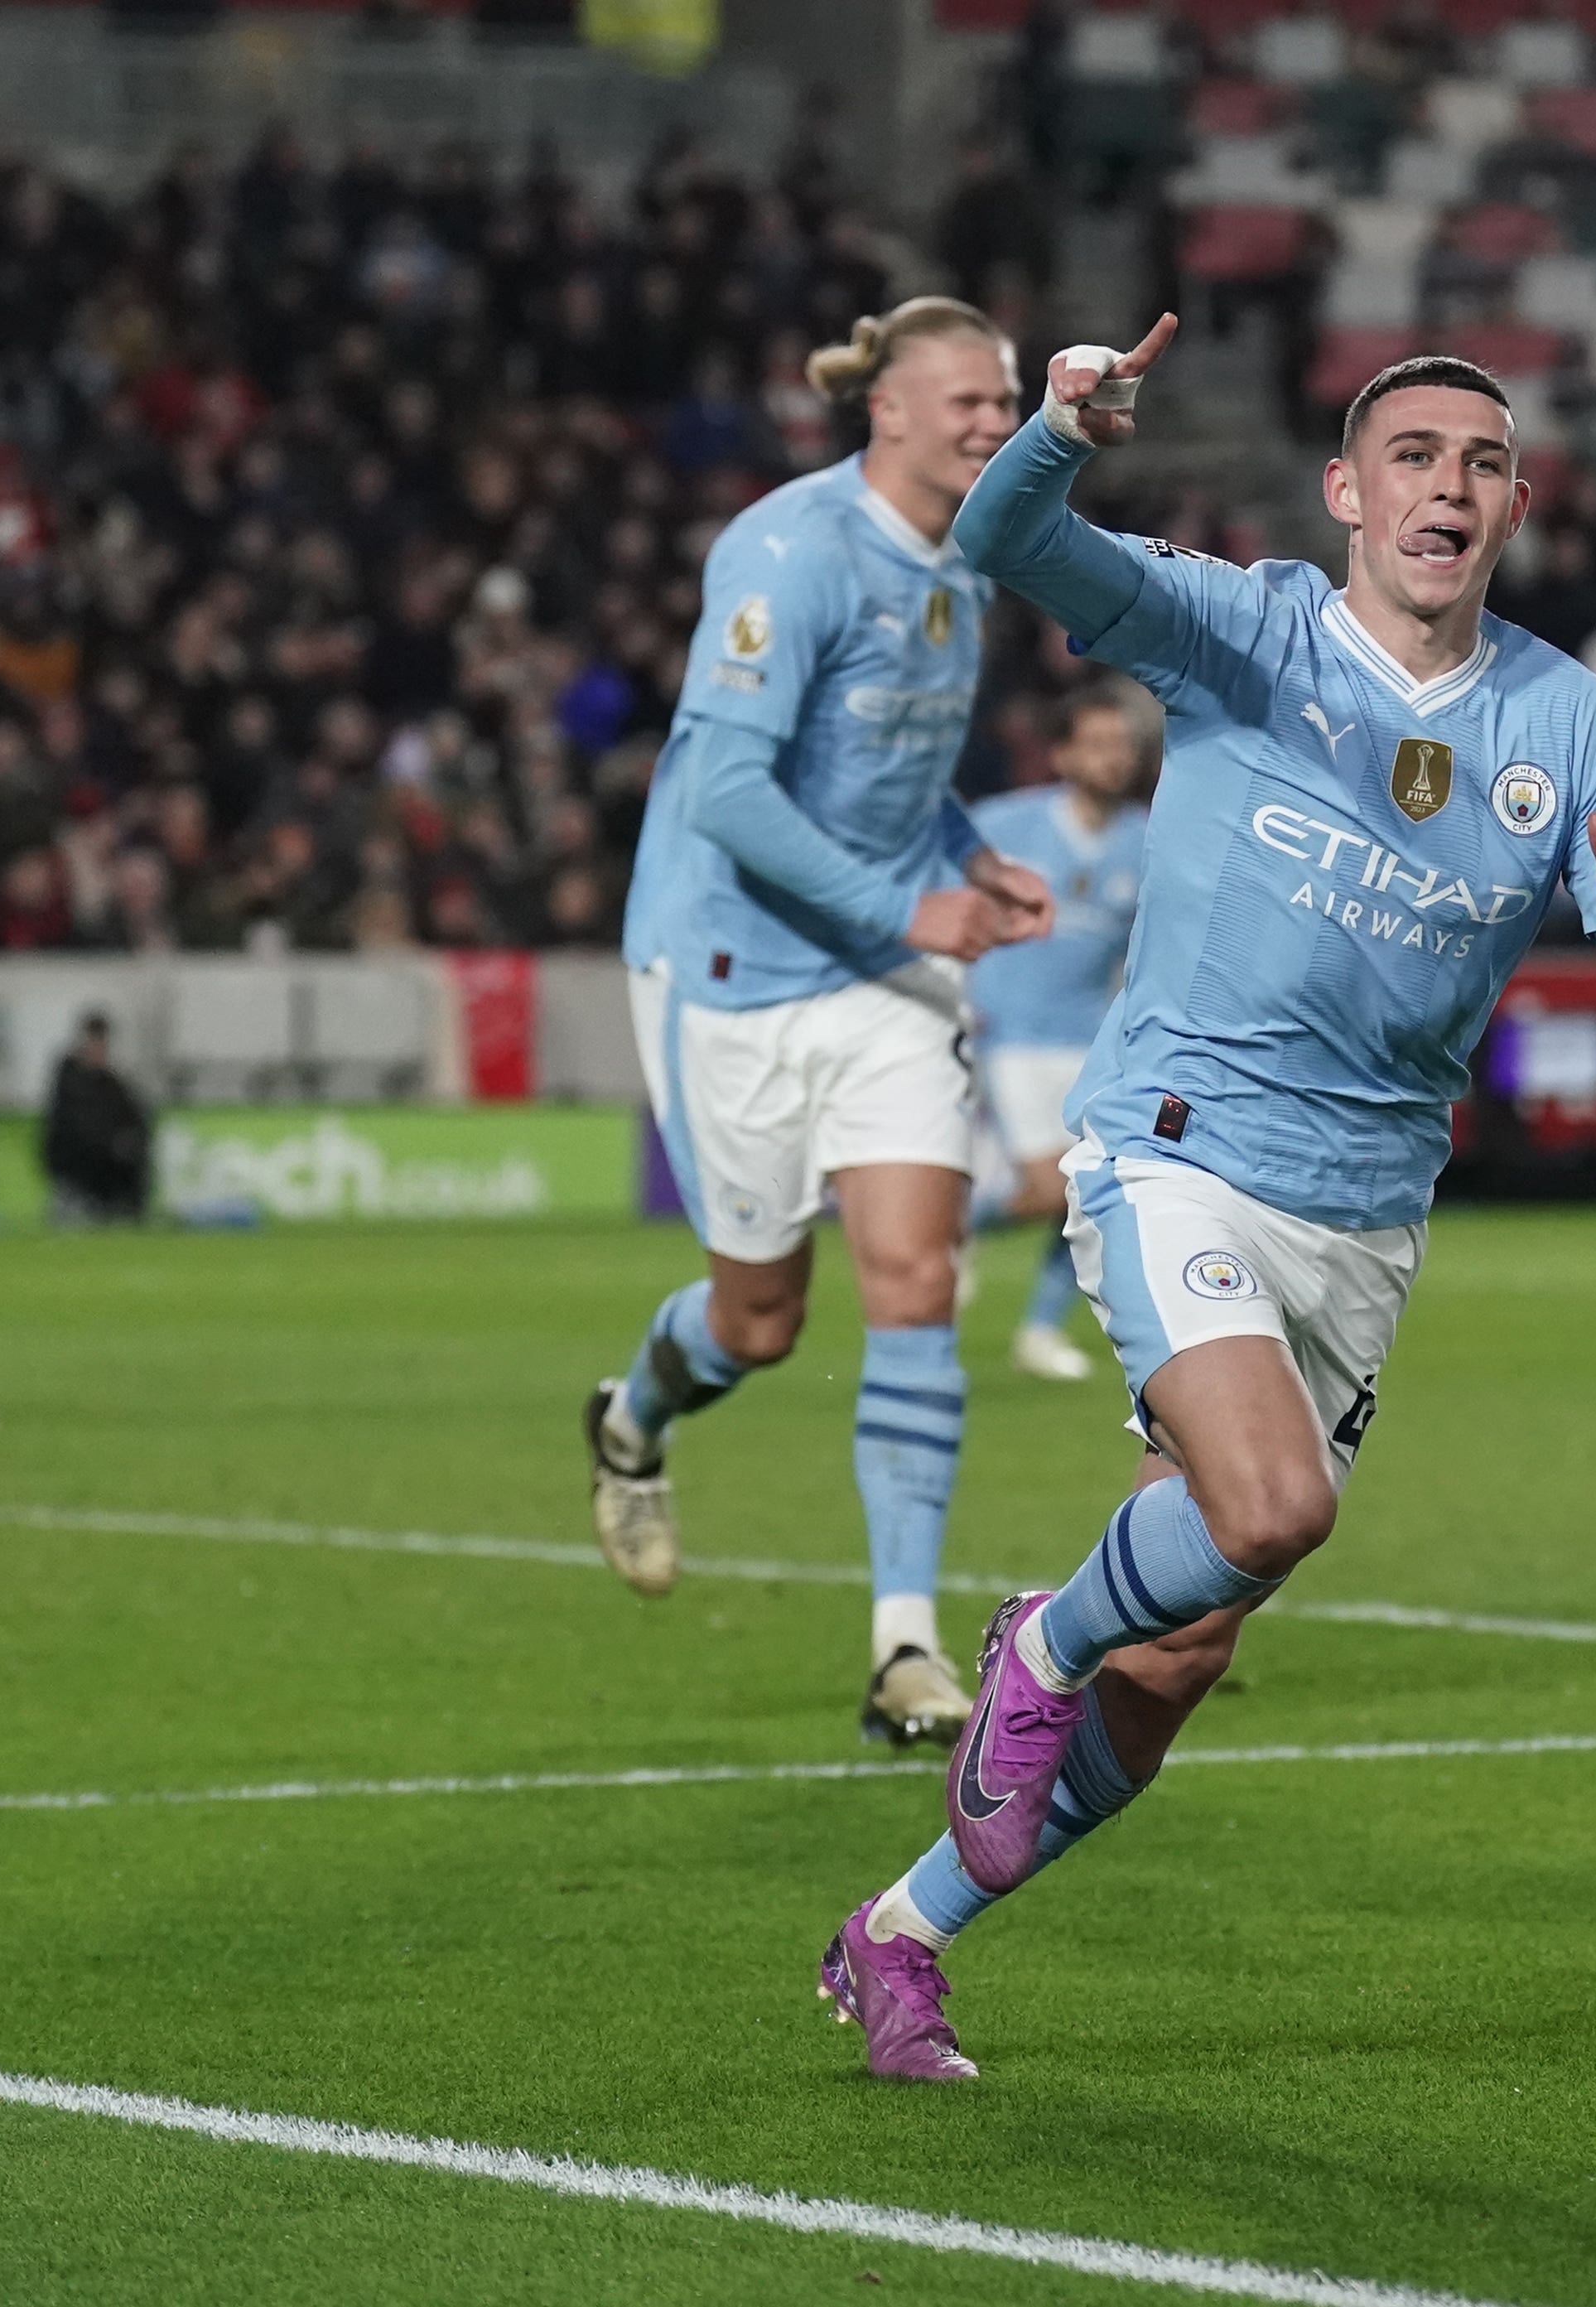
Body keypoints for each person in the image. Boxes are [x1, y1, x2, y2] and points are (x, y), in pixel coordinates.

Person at [816, 326, 1596, 2082]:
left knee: (1188, 1654)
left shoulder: (1571, 722)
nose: (1446, 486)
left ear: (1515, 503)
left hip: (1366, 1221)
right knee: (1270, 1503)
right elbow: (1010, 544)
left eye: (1480, 462)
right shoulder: (1248, 626)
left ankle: (900, 1933)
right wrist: (1062, 435)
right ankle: (1042, 1630)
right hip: (1180, 1141)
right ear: (1349, 493)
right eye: (1414, 456)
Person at [584, 297, 1054, 1750]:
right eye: (969, 402)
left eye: (1006, 400)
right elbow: (727, 793)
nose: (994, 422)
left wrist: (963, 852)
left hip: (881, 986)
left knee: (914, 1281)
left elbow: (892, 759)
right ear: (889, 411)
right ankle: (631, 1416)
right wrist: (911, 906)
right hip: (727, 966)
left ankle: (904, 1650)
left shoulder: (968, 563)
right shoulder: (786, 550)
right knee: (760, 1321)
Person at [964, 679, 1157, 1382]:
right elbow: (935, 892)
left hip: (1092, 1038)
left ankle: (1040, 1330)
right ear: (1062, 753)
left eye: (1124, 747)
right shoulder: (1005, 825)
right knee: (1050, 1187)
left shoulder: (1147, 840)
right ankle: (957, 1222)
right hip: (1010, 1030)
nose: (1114, 760)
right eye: (1098, 745)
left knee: (1091, 1190)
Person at [41, 1010, 152, 1221]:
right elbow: (72, 1125)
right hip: (77, 1161)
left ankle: (124, 1209)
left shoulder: (111, 1083)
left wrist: (126, 1142)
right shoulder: (69, 1080)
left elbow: (135, 1117)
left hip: (109, 1163)